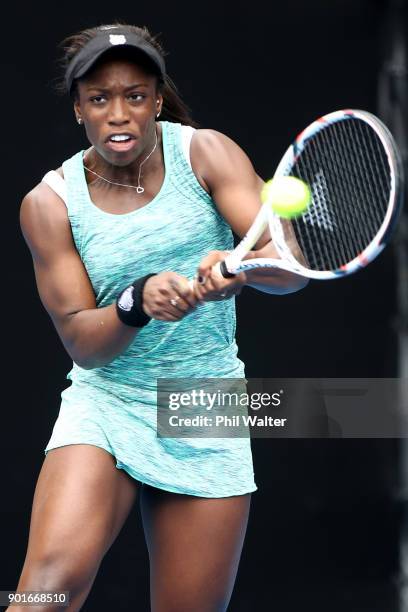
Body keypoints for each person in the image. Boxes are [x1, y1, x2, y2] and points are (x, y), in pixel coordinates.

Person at [13, 22, 308, 612]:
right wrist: (134, 301)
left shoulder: (207, 152)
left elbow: (292, 266)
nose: (118, 114)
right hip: (108, 400)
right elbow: (81, 340)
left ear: (155, 100)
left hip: (205, 399)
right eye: (99, 99)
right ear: (78, 109)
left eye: (135, 96)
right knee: (45, 588)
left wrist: (242, 267)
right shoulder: (49, 204)